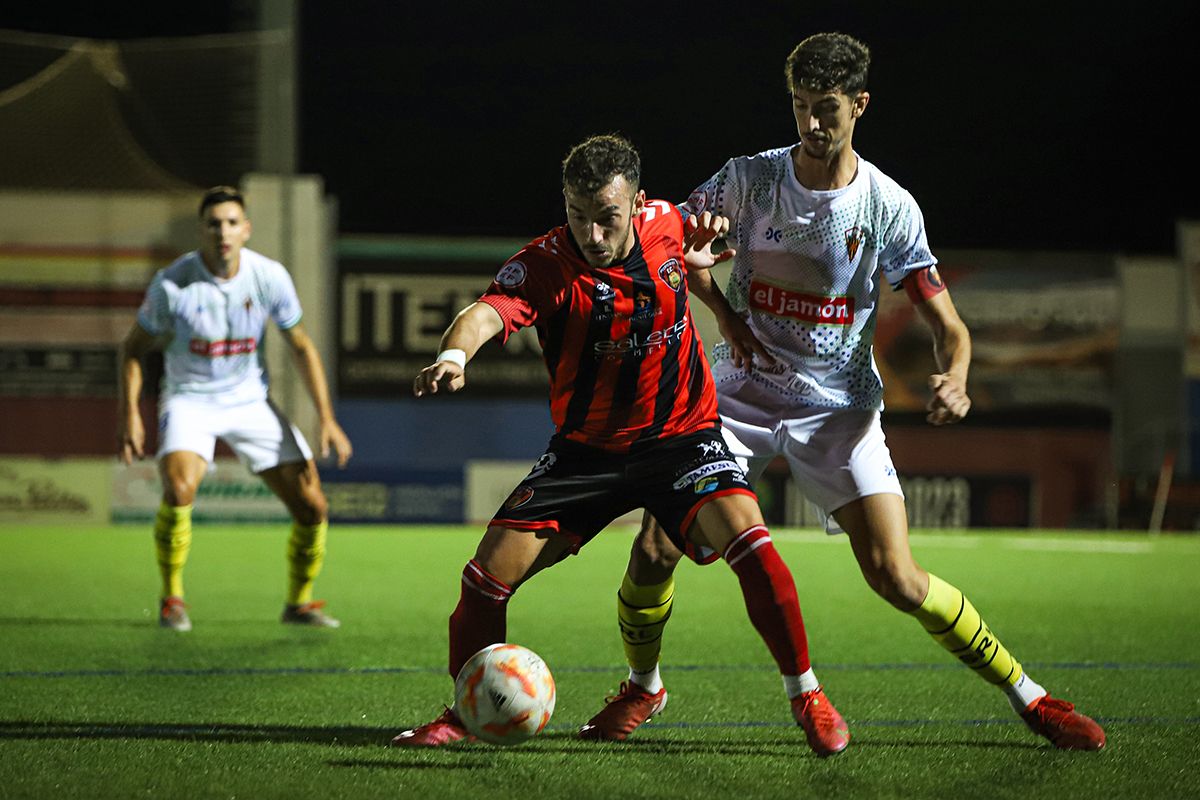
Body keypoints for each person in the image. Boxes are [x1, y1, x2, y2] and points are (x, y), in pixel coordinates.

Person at [584, 33, 1106, 751]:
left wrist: (955, 378)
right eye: (799, 107)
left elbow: (949, 327)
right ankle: (644, 689)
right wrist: (720, 305)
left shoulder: (888, 207)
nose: (810, 125)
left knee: (896, 576)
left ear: (859, 105)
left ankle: (1032, 697)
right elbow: (676, 244)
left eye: (825, 109)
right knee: (653, 547)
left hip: (838, 408)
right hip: (737, 395)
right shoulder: (749, 180)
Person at [391, 134, 850, 756]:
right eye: (577, 216)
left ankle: (808, 695)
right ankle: (467, 711)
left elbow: (726, 231)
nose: (591, 233)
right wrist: (453, 353)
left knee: (753, 544)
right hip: (586, 454)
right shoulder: (548, 263)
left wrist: (717, 249)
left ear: (635, 205)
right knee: (483, 581)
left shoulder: (668, 225)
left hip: (682, 439)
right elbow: (486, 312)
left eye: (605, 217)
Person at [118, 186, 353, 632]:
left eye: (231, 223)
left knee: (312, 505)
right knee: (180, 489)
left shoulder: (269, 276)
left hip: (249, 401)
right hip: (189, 398)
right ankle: (172, 599)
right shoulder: (173, 283)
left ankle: (298, 604)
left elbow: (301, 346)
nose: (222, 232)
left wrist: (326, 418)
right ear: (202, 231)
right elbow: (132, 349)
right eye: (213, 223)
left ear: (246, 229)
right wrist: (129, 412)